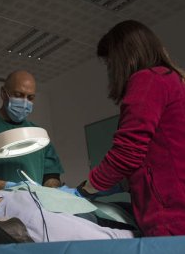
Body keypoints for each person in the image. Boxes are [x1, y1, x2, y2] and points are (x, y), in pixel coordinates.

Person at [74, 20, 185, 237]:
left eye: (110, 64)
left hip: (172, 218)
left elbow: (127, 153)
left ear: (122, 58)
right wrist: (122, 183)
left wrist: (85, 188)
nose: (111, 71)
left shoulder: (148, 79)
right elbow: (161, 154)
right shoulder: (173, 81)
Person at [0, 153, 135, 242]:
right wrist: (143, 241)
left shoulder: (2, 194)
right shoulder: (16, 216)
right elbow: (92, 240)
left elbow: (54, 194)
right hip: (107, 226)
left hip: (94, 207)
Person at [0, 70, 64, 191]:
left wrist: (52, 192)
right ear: (4, 93)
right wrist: (10, 189)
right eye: (18, 95)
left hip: (35, 205)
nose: (25, 102)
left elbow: (51, 173)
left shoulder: (39, 135)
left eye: (30, 97)